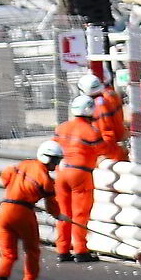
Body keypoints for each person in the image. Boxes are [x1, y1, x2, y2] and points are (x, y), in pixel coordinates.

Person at [0, 140, 65, 280]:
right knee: (32, 251)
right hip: (23, 213)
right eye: (55, 161)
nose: (56, 164)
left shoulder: (22, 165)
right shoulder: (46, 180)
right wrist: (58, 215)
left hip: (4, 210)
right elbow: (51, 207)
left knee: (7, 253)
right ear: (47, 159)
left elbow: (4, 176)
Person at [53, 93, 109, 262]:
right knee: (80, 213)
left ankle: (62, 250)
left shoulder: (61, 128)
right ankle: (80, 250)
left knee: (63, 212)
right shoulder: (91, 131)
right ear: (90, 111)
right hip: (80, 173)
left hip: (60, 172)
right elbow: (103, 149)